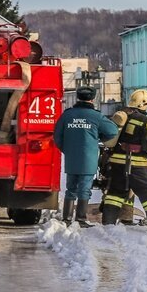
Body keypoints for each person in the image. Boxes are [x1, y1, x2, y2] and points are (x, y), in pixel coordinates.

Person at [101, 89, 147, 234]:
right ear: (143, 104)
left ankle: (108, 223)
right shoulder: (145, 121)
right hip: (136, 164)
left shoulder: (122, 116)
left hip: (116, 162)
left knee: (115, 192)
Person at [53, 87, 119, 227]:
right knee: (84, 188)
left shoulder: (67, 115)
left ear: (78, 97)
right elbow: (113, 131)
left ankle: (67, 218)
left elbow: (57, 137)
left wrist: (67, 150)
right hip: (88, 158)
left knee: (71, 188)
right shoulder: (95, 116)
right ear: (92, 99)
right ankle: (81, 219)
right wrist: (100, 137)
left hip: (71, 158)